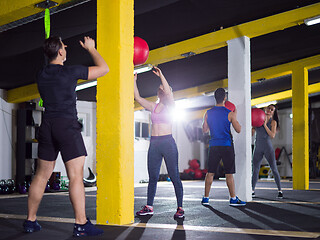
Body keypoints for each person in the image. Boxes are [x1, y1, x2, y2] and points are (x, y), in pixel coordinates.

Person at [23, 36, 109, 237]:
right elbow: (104, 69)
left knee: (41, 175)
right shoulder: (70, 71)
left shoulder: (41, 74)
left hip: (47, 126)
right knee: (76, 176)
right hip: (67, 126)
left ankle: (30, 220)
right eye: (63, 46)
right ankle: (81, 223)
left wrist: (54, 47)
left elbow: (52, 62)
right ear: (60, 52)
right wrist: (91, 48)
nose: (66, 48)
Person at [134, 67, 184, 219]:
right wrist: (133, 81)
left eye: (163, 88)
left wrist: (161, 75)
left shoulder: (171, 105)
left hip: (168, 143)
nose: (161, 90)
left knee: (174, 175)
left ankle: (180, 208)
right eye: (159, 88)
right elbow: (137, 97)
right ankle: (149, 206)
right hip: (154, 144)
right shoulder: (153, 106)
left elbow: (168, 92)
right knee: (153, 177)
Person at [201, 88, 246, 206]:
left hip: (214, 146)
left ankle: (206, 198)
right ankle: (233, 199)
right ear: (224, 98)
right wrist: (235, 115)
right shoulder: (229, 113)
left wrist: (209, 123)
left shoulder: (208, 113)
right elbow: (239, 129)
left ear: (215, 98)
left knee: (210, 173)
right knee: (229, 174)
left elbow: (205, 130)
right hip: (226, 146)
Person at [252, 104, 283, 199]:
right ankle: (252, 190)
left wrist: (264, 125)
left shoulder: (273, 122)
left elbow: (272, 135)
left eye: (272, 109)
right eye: (268, 108)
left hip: (267, 147)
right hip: (258, 146)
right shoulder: (258, 119)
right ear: (265, 108)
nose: (269, 110)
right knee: (255, 169)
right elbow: (252, 133)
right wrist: (252, 125)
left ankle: (280, 190)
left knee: (274, 169)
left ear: (273, 112)